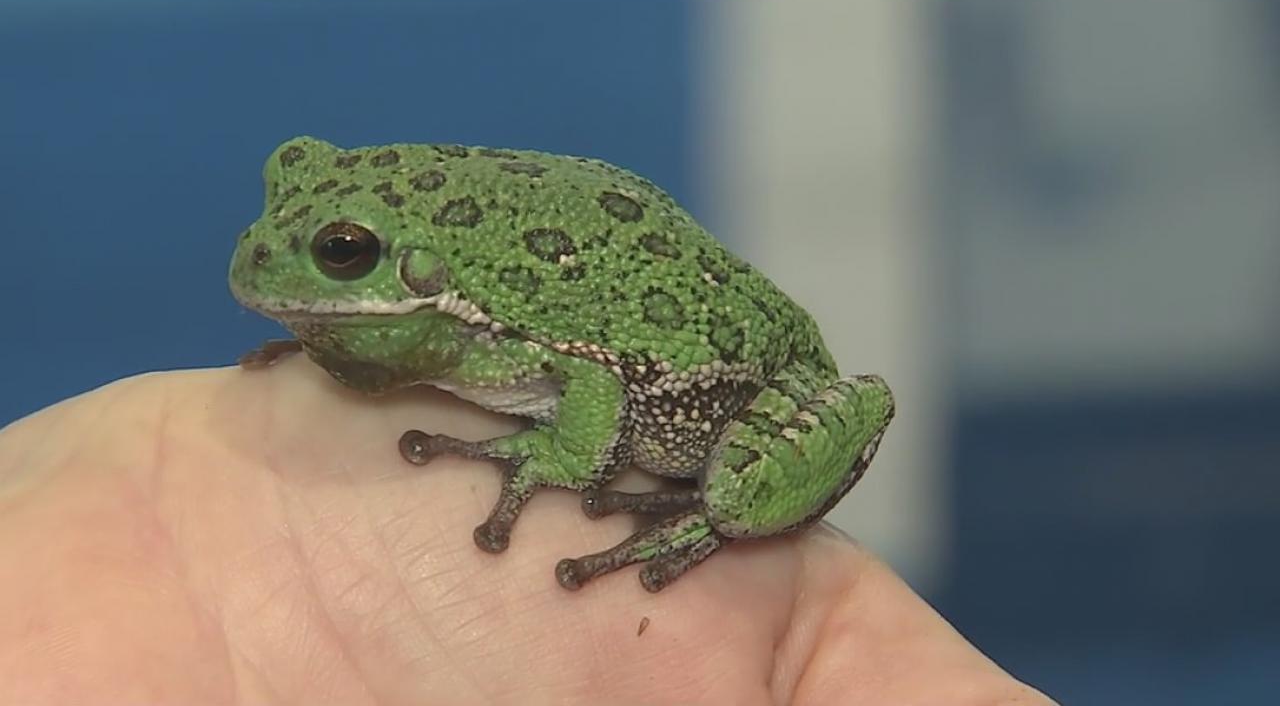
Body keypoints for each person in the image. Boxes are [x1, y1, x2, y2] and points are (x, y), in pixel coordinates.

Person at [0, 357, 1055, 705]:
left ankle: (714, 516)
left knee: (730, 495)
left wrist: (552, 460)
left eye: (345, 254)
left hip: (739, 397)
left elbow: (591, 375)